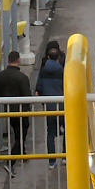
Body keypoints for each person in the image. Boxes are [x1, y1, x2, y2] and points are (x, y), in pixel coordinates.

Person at [0, 50, 32, 176]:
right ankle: (10, 163)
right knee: (21, 136)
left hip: (9, 110)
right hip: (21, 112)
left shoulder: (1, 76)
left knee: (16, 133)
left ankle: (22, 154)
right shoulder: (22, 78)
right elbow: (27, 96)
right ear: (19, 60)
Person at [35, 40, 65, 168]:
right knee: (67, 130)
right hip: (62, 104)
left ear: (48, 56)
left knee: (50, 133)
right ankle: (65, 156)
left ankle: (52, 161)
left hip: (49, 105)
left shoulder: (43, 70)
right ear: (58, 57)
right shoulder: (63, 70)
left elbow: (39, 87)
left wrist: (43, 100)